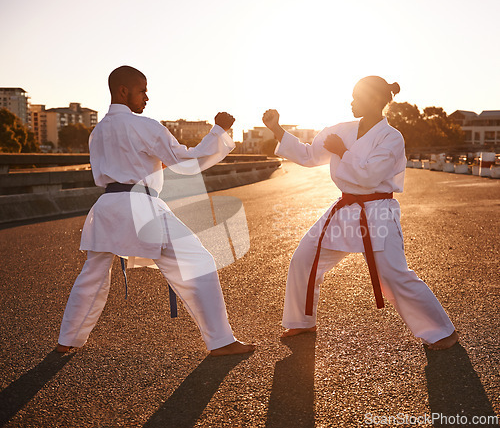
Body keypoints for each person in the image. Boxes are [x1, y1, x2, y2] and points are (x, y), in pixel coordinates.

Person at [56, 65, 255, 357]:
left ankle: (67, 339)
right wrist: (218, 130)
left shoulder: (97, 132)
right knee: (199, 262)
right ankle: (221, 340)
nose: (146, 97)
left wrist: (151, 167)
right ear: (123, 91)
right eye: (142, 90)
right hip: (141, 206)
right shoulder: (144, 125)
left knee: (93, 275)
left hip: (108, 206)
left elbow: (123, 165)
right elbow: (187, 161)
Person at [262, 76, 458, 350]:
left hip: (377, 212)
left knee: (392, 275)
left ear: (376, 100)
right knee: (304, 257)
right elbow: (308, 156)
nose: (351, 102)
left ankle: (441, 332)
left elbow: (369, 176)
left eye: (357, 97)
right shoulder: (341, 129)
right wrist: (277, 130)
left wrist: (342, 151)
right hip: (344, 210)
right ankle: (301, 321)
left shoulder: (391, 137)